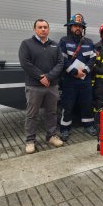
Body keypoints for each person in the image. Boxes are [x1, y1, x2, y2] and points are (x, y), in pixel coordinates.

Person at [19, 19, 64, 154]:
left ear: (48, 29)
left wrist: (49, 77)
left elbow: (60, 63)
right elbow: (25, 63)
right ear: (35, 29)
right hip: (34, 86)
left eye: (45, 27)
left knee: (52, 112)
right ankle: (30, 141)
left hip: (52, 86)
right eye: (40, 27)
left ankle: (51, 136)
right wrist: (40, 77)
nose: (43, 29)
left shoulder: (55, 45)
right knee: (32, 114)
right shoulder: (26, 44)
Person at [59, 13, 97, 141]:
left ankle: (89, 125)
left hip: (85, 80)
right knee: (67, 105)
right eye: (75, 25)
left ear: (83, 28)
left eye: (80, 26)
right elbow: (62, 60)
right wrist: (74, 71)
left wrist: (85, 71)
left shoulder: (89, 42)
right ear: (70, 27)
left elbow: (92, 59)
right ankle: (64, 129)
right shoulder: (64, 41)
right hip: (69, 80)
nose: (78, 28)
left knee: (87, 103)